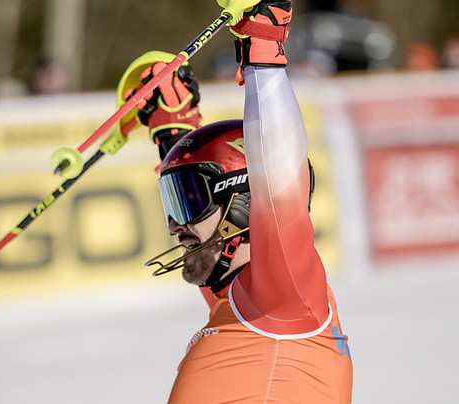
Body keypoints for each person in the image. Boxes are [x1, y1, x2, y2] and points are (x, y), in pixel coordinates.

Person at [121, 0, 353, 402]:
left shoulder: (284, 298)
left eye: (190, 202)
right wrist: (171, 129)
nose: (174, 225)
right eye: (176, 201)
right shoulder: (238, 302)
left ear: (245, 201)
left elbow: (279, 181)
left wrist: (264, 45)